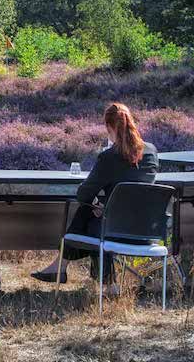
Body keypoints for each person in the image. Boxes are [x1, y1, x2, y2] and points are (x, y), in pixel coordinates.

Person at [31, 103, 159, 292]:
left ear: (109, 127)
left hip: (115, 230)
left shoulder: (109, 157)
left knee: (90, 217)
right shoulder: (151, 152)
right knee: (94, 215)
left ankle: (104, 283)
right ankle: (65, 268)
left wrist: (97, 204)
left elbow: (83, 193)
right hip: (146, 231)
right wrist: (101, 206)